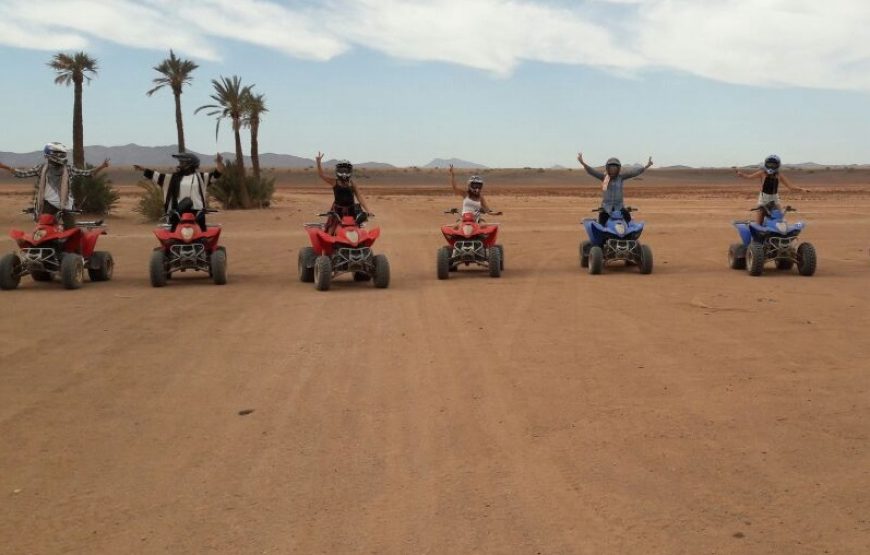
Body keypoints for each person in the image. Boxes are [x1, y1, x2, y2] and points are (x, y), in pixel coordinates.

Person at [0, 142, 109, 228]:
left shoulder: (68, 168)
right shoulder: (42, 168)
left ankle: (75, 255)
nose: (62, 156)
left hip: (65, 205)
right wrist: (5, 167)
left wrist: (102, 166)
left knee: (71, 231)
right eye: (59, 154)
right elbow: (22, 174)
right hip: (48, 205)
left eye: (62, 154)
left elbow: (87, 173)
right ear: (51, 155)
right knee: (44, 228)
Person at [134, 152, 223, 231]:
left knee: (202, 235)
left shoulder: (201, 177)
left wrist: (219, 162)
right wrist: (143, 169)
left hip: (198, 211)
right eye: (180, 162)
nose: (179, 164)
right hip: (178, 213)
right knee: (174, 234)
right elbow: (157, 175)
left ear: (189, 164)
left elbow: (216, 174)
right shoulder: (172, 178)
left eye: (182, 162)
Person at [577, 153, 653, 225]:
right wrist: (583, 163)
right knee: (601, 225)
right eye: (611, 168)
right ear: (607, 168)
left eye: (615, 168)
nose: (613, 170)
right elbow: (592, 171)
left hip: (619, 207)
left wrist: (646, 166)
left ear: (618, 169)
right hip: (606, 208)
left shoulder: (621, 177)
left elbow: (633, 173)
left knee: (629, 222)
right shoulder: (604, 177)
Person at [735, 155, 808, 225]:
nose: (771, 166)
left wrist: (801, 189)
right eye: (769, 164)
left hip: (775, 199)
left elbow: (790, 187)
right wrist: (741, 174)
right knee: (759, 222)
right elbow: (749, 177)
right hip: (763, 199)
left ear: (777, 165)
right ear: (766, 164)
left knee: (780, 219)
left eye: (773, 165)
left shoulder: (779, 175)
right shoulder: (762, 173)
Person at [315, 151, 373, 234]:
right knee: (331, 231)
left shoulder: (352, 184)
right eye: (342, 170)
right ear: (338, 170)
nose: (344, 173)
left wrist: (368, 210)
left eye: (346, 170)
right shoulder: (334, 182)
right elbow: (321, 175)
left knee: (356, 230)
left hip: (351, 211)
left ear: (350, 171)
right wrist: (318, 162)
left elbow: (359, 198)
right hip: (337, 211)